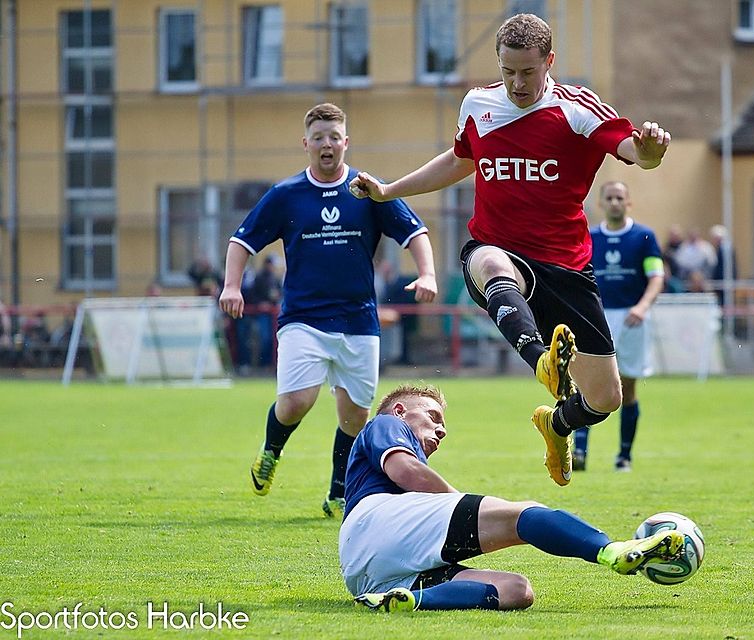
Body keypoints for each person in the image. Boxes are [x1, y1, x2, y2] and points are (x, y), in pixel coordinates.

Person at [349, 13, 672, 487]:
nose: (517, 83)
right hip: (496, 248)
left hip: (566, 266)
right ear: (498, 64)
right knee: (491, 261)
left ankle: (556, 423)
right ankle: (541, 359)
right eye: (508, 71)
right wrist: (389, 190)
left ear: (550, 62)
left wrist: (651, 151)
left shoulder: (577, 109)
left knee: (605, 398)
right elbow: (462, 159)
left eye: (528, 71)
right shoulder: (478, 105)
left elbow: (632, 150)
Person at [219, 103, 438, 517]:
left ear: (346, 142)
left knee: (355, 416)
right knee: (296, 402)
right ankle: (271, 451)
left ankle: (338, 491)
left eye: (334, 137)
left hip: (358, 320)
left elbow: (415, 231)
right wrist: (232, 285)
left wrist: (426, 274)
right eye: (319, 138)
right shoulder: (286, 195)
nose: (327, 145)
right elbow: (241, 240)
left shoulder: (367, 189)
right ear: (306, 143)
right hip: (304, 318)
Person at [340, 384, 685, 612]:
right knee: (522, 514)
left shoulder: (392, 448)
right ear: (400, 411)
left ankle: (405, 600)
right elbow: (407, 472)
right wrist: (462, 505)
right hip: (378, 522)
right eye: (433, 417)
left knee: (515, 591)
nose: (441, 430)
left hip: (369, 574)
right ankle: (613, 551)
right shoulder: (385, 424)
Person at [574, 181, 664, 472]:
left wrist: (642, 306)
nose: (614, 202)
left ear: (629, 203)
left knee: (627, 386)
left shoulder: (643, 237)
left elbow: (656, 277)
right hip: (595, 316)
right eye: (609, 198)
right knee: (586, 384)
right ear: (601, 203)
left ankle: (624, 456)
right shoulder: (589, 236)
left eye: (619, 198)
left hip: (631, 318)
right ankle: (580, 452)